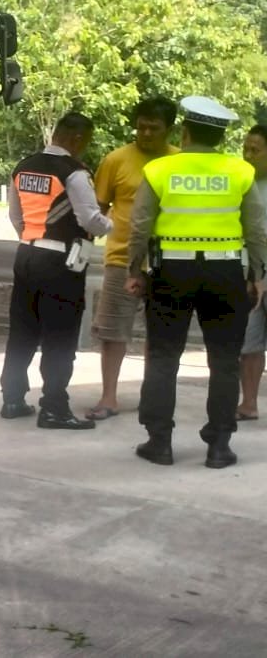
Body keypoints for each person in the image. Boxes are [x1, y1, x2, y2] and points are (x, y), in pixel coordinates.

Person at [126, 98, 267, 468]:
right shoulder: (240, 171)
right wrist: (258, 275)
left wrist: (134, 270)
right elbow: (256, 229)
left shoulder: (160, 169)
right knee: (224, 361)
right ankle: (219, 445)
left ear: (185, 132)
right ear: (220, 136)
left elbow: (139, 225)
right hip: (226, 273)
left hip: (171, 272)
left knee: (163, 356)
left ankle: (159, 441)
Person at [0, 112, 112, 430]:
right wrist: (115, 225)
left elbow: (16, 216)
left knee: (22, 331)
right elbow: (90, 220)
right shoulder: (73, 173)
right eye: (85, 141)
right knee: (60, 335)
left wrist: (33, 238)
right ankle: (54, 408)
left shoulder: (23, 167)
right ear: (76, 138)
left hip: (26, 253)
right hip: (61, 262)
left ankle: (12, 399)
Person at [85, 97, 179, 420]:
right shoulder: (116, 160)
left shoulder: (179, 162)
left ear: (170, 129)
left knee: (161, 334)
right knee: (113, 332)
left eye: (154, 128)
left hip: (169, 261)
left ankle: (152, 398)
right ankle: (108, 398)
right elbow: (98, 208)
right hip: (122, 260)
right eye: (141, 127)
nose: (146, 133)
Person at [236, 124, 267, 421]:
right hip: (251, 272)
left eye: (254, 150)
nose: (247, 155)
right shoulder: (241, 184)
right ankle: (248, 404)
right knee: (249, 341)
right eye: (245, 148)